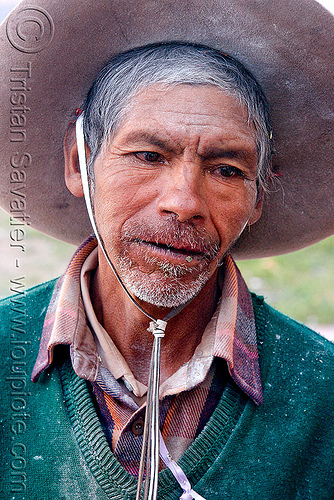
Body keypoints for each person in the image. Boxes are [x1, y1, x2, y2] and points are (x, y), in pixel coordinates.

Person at [0, 1, 333, 499]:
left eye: (226, 170)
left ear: (258, 197)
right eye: (148, 155)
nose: (184, 203)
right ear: (79, 165)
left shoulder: (321, 397)